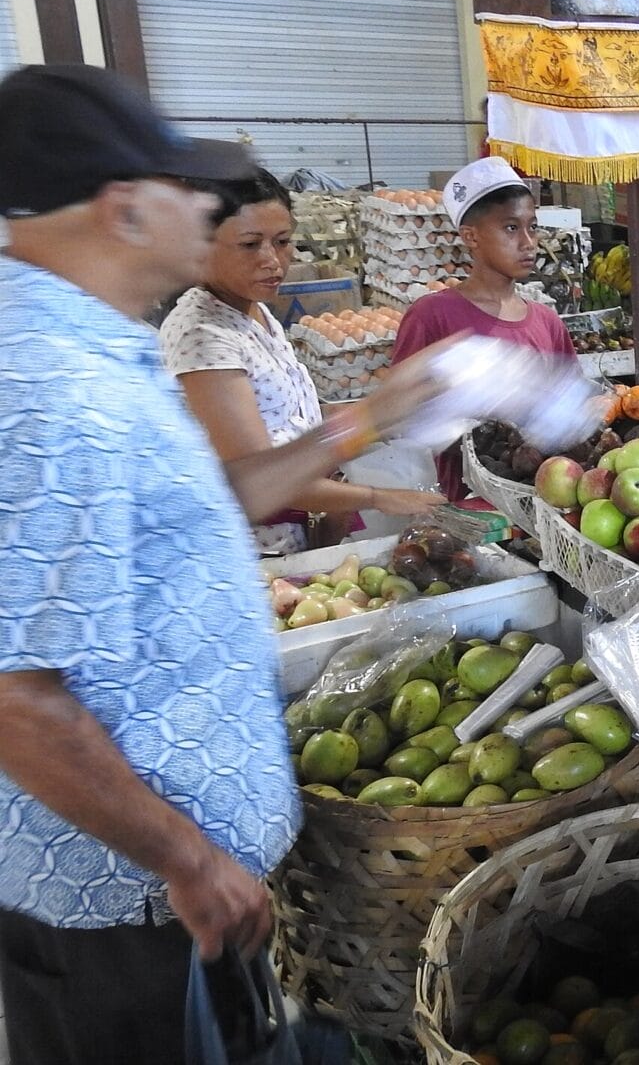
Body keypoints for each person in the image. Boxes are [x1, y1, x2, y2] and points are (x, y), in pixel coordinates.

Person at [0, 64, 456, 1064]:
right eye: (188, 189)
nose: (209, 206)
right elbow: (17, 696)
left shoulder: (95, 348)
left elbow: (218, 498)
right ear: (124, 209)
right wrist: (190, 859)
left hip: (168, 900)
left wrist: (369, 421)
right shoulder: (49, 388)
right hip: (125, 912)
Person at [160, 167, 444, 553]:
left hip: (292, 537)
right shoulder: (204, 337)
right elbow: (260, 479)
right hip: (252, 553)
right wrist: (376, 494)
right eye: (249, 244)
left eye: (282, 241)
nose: (272, 260)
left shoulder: (253, 310)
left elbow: (288, 416)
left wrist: (389, 414)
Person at [393, 156, 574, 497]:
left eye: (532, 226)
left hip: (545, 504)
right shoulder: (432, 316)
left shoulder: (547, 323)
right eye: (510, 228)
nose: (528, 242)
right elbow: (401, 416)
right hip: (470, 506)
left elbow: (569, 406)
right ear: (471, 236)